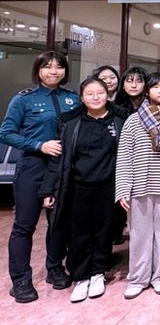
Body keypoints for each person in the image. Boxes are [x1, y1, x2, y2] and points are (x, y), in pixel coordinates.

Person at [0, 51, 80, 303]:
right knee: (25, 224)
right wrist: (39, 145)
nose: (53, 71)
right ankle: (20, 279)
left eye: (59, 66)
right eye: (47, 66)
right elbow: (6, 133)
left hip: (63, 168)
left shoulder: (72, 98)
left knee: (58, 222)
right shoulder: (24, 99)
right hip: (33, 167)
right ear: (38, 70)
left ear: (65, 71)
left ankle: (54, 267)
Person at [39, 77, 127, 302]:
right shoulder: (70, 123)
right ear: (81, 98)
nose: (95, 97)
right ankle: (80, 276)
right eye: (90, 94)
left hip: (108, 186)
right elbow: (58, 160)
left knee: (103, 231)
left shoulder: (119, 120)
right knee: (78, 232)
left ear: (108, 95)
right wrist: (49, 190)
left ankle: (98, 272)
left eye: (100, 93)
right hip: (77, 186)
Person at [115, 72, 160, 299]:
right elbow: (124, 156)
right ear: (147, 91)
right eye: (156, 86)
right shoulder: (133, 120)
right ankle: (138, 278)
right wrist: (123, 188)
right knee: (139, 236)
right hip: (139, 187)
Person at [111, 66, 147, 245]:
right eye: (129, 81)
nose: (134, 85)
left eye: (139, 81)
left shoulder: (152, 107)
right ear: (123, 84)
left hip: (145, 163)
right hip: (119, 162)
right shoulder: (114, 108)